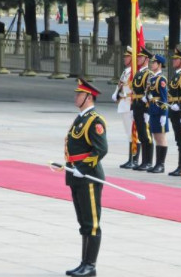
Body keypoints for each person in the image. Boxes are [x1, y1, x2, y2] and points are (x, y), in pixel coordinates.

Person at [65, 78, 108, 277]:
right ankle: (84, 263)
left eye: (79, 94)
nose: (76, 97)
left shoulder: (94, 121)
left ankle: (90, 265)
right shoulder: (80, 118)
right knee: (83, 222)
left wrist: (82, 167)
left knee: (92, 223)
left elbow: (101, 149)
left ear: (88, 97)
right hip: (76, 175)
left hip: (89, 177)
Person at [112, 46, 140, 169]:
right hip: (123, 103)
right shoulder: (126, 71)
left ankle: (134, 159)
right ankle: (130, 158)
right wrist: (116, 93)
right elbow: (121, 85)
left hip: (129, 104)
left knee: (133, 133)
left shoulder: (133, 72)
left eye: (127, 56)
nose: (125, 58)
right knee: (128, 133)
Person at [131, 47, 154, 171]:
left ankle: (148, 161)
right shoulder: (138, 73)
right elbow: (134, 91)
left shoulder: (149, 74)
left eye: (140, 57)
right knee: (140, 134)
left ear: (146, 59)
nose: (138, 59)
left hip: (144, 108)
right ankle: (143, 161)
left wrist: (148, 110)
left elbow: (149, 92)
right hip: (137, 106)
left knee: (146, 136)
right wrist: (131, 108)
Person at [167, 49, 181, 176]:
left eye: (176, 59)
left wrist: (179, 106)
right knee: (178, 140)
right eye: (174, 59)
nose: (174, 61)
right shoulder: (175, 75)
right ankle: (180, 165)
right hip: (174, 111)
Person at [147, 54, 169, 173]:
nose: (152, 64)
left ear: (159, 65)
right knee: (156, 136)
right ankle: (157, 163)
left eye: (154, 62)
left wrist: (164, 114)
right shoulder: (152, 78)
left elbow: (164, 98)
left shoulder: (161, 79)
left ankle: (161, 164)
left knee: (161, 137)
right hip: (153, 110)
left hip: (159, 111)